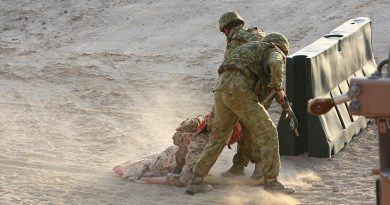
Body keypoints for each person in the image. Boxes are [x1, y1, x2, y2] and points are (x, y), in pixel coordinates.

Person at [185, 33, 295, 195]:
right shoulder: (273, 50)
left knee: (219, 136)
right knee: (268, 132)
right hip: (239, 90)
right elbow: (275, 62)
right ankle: (271, 182)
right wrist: (278, 88)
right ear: (281, 48)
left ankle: (196, 180)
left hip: (221, 88)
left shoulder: (246, 48)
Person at [113, 113, 242, 187]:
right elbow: (183, 180)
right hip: (170, 163)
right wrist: (151, 181)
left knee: (150, 160)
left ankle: (132, 163)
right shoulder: (202, 143)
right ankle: (129, 166)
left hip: (171, 154)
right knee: (125, 171)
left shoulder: (208, 123)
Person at [219, 11, 268, 179]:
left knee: (253, 128)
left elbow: (230, 69)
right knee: (248, 126)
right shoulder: (256, 34)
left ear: (227, 28)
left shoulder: (235, 40)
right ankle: (239, 165)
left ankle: (260, 168)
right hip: (263, 86)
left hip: (248, 88)